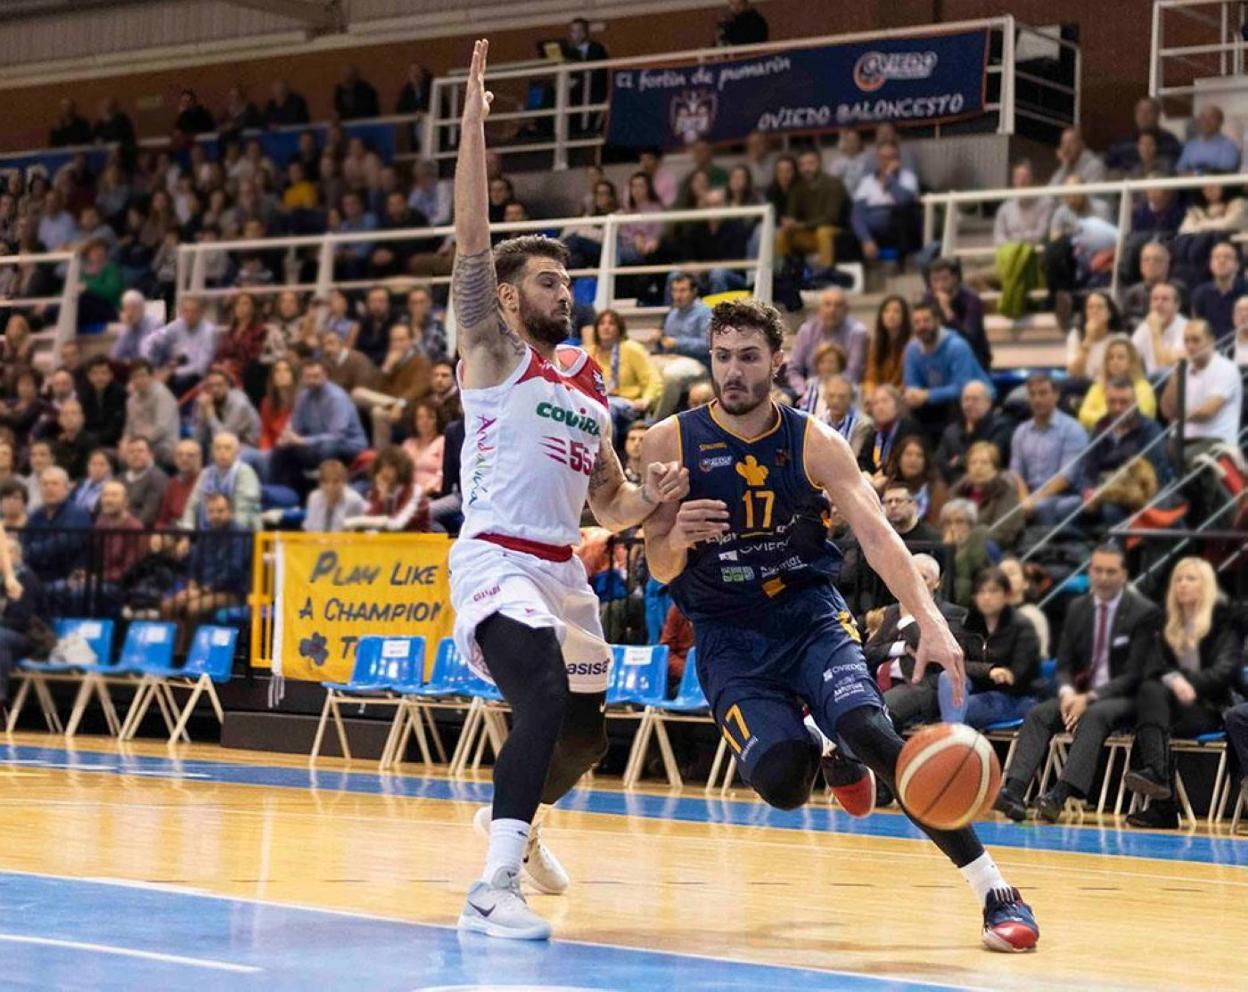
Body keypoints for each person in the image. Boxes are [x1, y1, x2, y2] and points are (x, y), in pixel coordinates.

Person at [640, 297, 1039, 951]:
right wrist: (675, 535)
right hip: (728, 637)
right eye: (721, 358)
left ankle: (996, 890)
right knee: (782, 783)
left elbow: (879, 537)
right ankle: (824, 754)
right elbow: (658, 567)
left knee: (874, 731)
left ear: (777, 361)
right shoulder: (670, 440)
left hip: (808, 618)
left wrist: (930, 620)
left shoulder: (814, 442)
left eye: (747, 357)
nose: (732, 372)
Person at [446, 41, 689, 942]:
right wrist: (473, 126)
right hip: (497, 558)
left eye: (568, 277)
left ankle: (521, 819)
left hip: (562, 571)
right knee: (541, 697)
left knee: (584, 736)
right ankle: (490, 889)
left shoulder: (589, 387)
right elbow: (471, 238)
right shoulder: (492, 352)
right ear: (507, 298)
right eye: (549, 279)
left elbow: (612, 508)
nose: (566, 288)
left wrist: (653, 500)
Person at [995, 545, 1160, 823]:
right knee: (1039, 714)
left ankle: (1058, 795)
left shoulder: (1143, 613)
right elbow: (1065, 664)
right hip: (1082, 694)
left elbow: (1135, 673)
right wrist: (1069, 693)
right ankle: (1014, 792)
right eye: (1098, 571)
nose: (1104, 577)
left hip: (1128, 698)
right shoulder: (1078, 609)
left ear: (1124, 575)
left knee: (1095, 714)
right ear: (1090, 573)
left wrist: (1089, 699)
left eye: (1111, 572)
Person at [1123, 558, 1243, 828]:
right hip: (1169, 707)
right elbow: (1152, 666)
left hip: (1210, 706)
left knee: (1150, 705)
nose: (1182, 585)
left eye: (1190, 578)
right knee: (1150, 693)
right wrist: (1174, 680)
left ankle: (1162, 797)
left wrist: (1188, 682)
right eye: (1178, 579)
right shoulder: (1168, 626)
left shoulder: (1225, 623)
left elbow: (1225, 673)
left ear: (1206, 585)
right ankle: (1159, 779)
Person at [865, 553, 967, 732]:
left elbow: (935, 655)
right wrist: (902, 648)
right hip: (882, 683)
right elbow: (869, 652)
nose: (916, 582)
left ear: (937, 583)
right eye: (912, 575)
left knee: (879, 714)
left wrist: (907, 620)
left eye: (924, 577)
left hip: (921, 685)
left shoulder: (952, 614)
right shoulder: (892, 611)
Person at [937, 567, 1041, 730]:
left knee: (959, 708)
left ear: (1006, 595)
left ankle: (952, 741)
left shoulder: (1022, 627)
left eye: (993, 591)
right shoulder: (968, 625)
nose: (986, 597)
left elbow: (1019, 676)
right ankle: (954, 740)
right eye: (981, 592)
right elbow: (956, 663)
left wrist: (998, 674)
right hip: (979, 691)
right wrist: (989, 671)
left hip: (1015, 697)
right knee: (947, 676)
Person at [1161, 319, 1244, 517]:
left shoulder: (1226, 369)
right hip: (1180, 439)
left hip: (1215, 441)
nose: (1190, 346)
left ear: (1211, 341)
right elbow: (1166, 410)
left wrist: (1179, 416)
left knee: (1183, 460)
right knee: (1156, 457)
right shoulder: (1184, 370)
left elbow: (1208, 412)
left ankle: (1180, 513)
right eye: (1186, 341)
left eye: (1196, 340)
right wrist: (1176, 377)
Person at [269, 358, 369, 497]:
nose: (312, 381)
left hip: (348, 446)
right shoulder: (303, 396)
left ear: (325, 376)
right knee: (282, 450)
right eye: (308, 377)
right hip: (316, 444)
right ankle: (283, 497)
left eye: (316, 376)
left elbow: (336, 436)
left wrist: (303, 441)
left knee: (328, 446)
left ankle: (323, 495)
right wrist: (286, 437)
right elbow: (295, 425)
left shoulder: (336, 398)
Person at [1082, 376, 1166, 526]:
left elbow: (1149, 476)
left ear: (1134, 402)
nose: (1117, 407)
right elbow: (1088, 469)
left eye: (1123, 402)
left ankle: (1116, 548)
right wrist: (1088, 491)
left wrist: (1108, 493)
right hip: (1100, 490)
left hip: (1132, 495)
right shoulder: (1099, 427)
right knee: (1063, 507)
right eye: (1112, 402)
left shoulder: (1150, 429)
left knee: (1110, 509)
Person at [902, 302, 994, 434]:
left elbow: (961, 387)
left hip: (974, 399)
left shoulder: (957, 346)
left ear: (938, 321)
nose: (922, 326)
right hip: (937, 402)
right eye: (917, 322)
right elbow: (912, 383)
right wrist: (913, 394)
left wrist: (928, 396)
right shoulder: (912, 349)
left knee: (957, 404)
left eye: (926, 321)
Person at [1010, 373, 1088, 526]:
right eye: (1032, 394)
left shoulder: (1072, 429)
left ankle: (1044, 548)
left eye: (1043, 393)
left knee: (1042, 507)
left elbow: (1066, 477)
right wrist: (1024, 498)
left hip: (1065, 494)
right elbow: (1015, 472)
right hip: (1029, 495)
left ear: (1056, 396)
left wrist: (1034, 499)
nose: (1037, 399)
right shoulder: (1021, 431)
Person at [162, 492, 250, 622]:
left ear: (231, 512)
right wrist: (191, 587)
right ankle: (173, 642)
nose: (215, 515)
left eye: (220, 511)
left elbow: (234, 572)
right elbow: (195, 565)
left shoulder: (241, 535)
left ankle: (189, 643)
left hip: (232, 592)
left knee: (193, 608)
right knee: (168, 605)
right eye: (211, 511)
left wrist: (202, 591)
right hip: (203, 590)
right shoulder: (206, 534)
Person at [585, 310, 662, 443]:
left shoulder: (632, 349)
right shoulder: (590, 353)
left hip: (627, 403)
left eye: (611, 323)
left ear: (619, 328)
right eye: (602, 323)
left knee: (606, 410)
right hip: (598, 401)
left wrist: (647, 399)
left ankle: (608, 458)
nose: (606, 327)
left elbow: (652, 379)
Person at [354, 323, 432, 452]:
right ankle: (382, 455)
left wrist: (400, 404)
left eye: (401, 340)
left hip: (410, 409)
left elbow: (418, 390)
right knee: (358, 394)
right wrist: (387, 369)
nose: (397, 344)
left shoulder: (421, 362)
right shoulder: (390, 361)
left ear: (411, 341)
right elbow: (377, 391)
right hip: (391, 406)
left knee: (377, 411)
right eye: (394, 340)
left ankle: (380, 455)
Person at [775, 149, 846, 272]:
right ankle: (782, 273)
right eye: (803, 165)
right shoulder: (797, 187)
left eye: (811, 163)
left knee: (823, 232)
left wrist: (800, 225)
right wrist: (788, 223)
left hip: (835, 230)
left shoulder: (833, 183)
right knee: (782, 233)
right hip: (808, 233)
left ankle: (825, 274)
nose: (807, 168)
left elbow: (831, 217)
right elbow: (791, 214)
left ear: (819, 163)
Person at [787, 288, 868, 392]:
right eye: (827, 304)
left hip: (842, 392)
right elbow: (794, 369)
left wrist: (829, 392)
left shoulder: (857, 333)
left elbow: (853, 373)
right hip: (808, 389)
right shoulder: (806, 331)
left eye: (838, 305)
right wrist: (803, 392)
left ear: (846, 309)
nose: (832, 310)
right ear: (820, 309)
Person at [22, 466, 92, 586]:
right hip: (37, 576)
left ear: (66, 488)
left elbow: (67, 542)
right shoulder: (35, 515)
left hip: (68, 577)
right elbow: (23, 545)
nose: (49, 488)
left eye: (55, 484)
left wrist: (34, 550)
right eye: (44, 484)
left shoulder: (78, 513)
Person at [850, 140, 919, 262]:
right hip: (873, 229)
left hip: (897, 225)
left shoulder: (907, 177)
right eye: (883, 157)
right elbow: (857, 214)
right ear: (877, 159)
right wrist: (866, 239)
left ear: (898, 159)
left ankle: (902, 264)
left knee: (903, 213)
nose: (886, 161)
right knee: (850, 232)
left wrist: (889, 178)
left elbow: (904, 201)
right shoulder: (867, 181)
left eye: (891, 157)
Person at [935, 380, 1014, 483]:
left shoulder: (1001, 427)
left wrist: (960, 461)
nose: (969, 404)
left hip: (990, 487)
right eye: (966, 399)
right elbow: (940, 463)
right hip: (955, 488)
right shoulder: (951, 431)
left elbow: (992, 459)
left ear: (988, 402)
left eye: (975, 399)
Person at [180, 432, 262, 531]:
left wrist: (228, 535)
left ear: (236, 451)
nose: (222, 452)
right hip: (209, 532)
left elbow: (244, 511)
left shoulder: (245, 472)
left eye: (227, 448)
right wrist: (187, 532)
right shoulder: (206, 473)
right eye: (218, 448)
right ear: (212, 451)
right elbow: (192, 505)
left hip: (241, 534)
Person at [950, 441, 1023, 550]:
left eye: (984, 463)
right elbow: (944, 524)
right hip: (955, 547)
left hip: (992, 551)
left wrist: (970, 539)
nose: (978, 467)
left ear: (995, 469)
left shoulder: (1005, 493)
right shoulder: (957, 492)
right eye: (973, 463)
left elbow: (1004, 532)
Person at [922, 258, 991, 373]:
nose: (940, 285)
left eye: (944, 279)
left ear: (955, 279)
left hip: (973, 359)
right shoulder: (929, 298)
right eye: (935, 280)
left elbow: (968, 339)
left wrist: (947, 309)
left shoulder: (971, 300)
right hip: (941, 358)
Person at [1078, 336, 1158, 431]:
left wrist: (1101, 416)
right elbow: (1083, 416)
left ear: (1131, 361)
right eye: (1110, 358)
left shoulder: (1143, 387)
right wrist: (1111, 417)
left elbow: (1137, 418)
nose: (1115, 361)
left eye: (1121, 357)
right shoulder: (1098, 386)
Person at [349, 447, 432, 532]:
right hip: (391, 542)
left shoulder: (415, 491)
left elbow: (397, 524)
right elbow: (368, 525)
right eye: (382, 466)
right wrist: (381, 500)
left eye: (390, 467)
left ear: (401, 468)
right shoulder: (376, 491)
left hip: (417, 541)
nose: (385, 471)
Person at [147, 296, 219, 394]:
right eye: (186, 311)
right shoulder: (177, 325)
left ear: (200, 313)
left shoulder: (208, 331)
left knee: (178, 381)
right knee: (155, 351)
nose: (189, 315)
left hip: (194, 374)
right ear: (181, 312)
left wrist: (172, 372)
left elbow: (200, 367)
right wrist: (157, 369)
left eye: (193, 311)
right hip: (175, 364)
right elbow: (153, 340)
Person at [858, 384, 921, 481]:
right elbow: (862, 461)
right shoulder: (874, 433)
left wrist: (884, 475)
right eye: (876, 403)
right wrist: (866, 474)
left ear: (897, 404)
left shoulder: (909, 429)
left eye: (885, 401)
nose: (880, 407)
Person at [123, 359, 180, 466]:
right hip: (139, 444)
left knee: (141, 455)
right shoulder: (131, 401)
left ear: (151, 376)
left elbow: (161, 428)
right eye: (135, 376)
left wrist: (138, 445)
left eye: (143, 375)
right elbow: (129, 428)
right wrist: (125, 443)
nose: (139, 380)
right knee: (121, 456)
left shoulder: (162, 395)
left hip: (163, 444)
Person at [191, 366, 261, 451]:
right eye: (210, 386)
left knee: (218, 451)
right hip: (223, 443)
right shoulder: (206, 401)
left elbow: (225, 439)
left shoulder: (239, 404)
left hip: (247, 446)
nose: (215, 389)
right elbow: (197, 438)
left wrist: (210, 415)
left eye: (219, 385)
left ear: (227, 385)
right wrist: (202, 413)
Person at [884, 433, 947, 525]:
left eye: (919, 455)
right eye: (908, 454)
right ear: (898, 459)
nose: (913, 460)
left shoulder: (937, 490)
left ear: (925, 461)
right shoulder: (886, 487)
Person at [1191, 241, 1248, 339]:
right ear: (1210, 264)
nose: (1221, 261)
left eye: (1227, 257)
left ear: (1237, 265)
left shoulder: (1246, 290)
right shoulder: (1200, 293)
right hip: (1210, 348)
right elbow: (1197, 328)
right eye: (1216, 257)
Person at [1119, 241, 1184, 327]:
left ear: (1167, 264)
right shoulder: (1132, 293)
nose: (1151, 263)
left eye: (1157, 260)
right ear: (1140, 265)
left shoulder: (1178, 290)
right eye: (1146, 260)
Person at [1066, 291, 1123, 382]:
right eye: (1090, 307)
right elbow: (1074, 372)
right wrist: (1088, 339)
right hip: (1081, 386)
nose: (1094, 311)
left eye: (1099, 307)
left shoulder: (1119, 339)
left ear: (1109, 314)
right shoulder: (1075, 335)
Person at [862, 295, 912, 395]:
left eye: (896, 311)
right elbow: (870, 376)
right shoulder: (876, 343)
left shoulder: (912, 344)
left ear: (904, 316)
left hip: (901, 395)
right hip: (879, 396)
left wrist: (885, 396)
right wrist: (871, 393)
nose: (891, 315)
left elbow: (908, 382)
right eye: (886, 311)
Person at [303, 459, 366, 532]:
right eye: (326, 482)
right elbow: (309, 530)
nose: (330, 487)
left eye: (335, 482)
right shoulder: (314, 498)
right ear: (320, 483)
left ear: (344, 481)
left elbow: (357, 533)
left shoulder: (354, 501)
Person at [1176, 104, 1241, 174]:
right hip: (1189, 184)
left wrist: (1195, 173)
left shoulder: (1228, 146)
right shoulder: (1190, 146)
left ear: (1220, 122)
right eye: (1203, 118)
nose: (1206, 121)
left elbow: (1223, 172)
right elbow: (1180, 170)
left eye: (1212, 117)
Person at [120, 435, 169, 528]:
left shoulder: (158, 478)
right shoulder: (119, 478)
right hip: (115, 530)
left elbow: (149, 515)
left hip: (142, 532)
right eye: (131, 452)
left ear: (151, 454)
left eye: (140, 451)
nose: (135, 454)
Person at [79, 355, 127, 449]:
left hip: (114, 442)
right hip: (90, 441)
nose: (100, 377)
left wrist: (95, 439)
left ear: (111, 375)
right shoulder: (84, 393)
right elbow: (84, 422)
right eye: (95, 373)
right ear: (89, 376)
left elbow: (118, 426)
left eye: (104, 373)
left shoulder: (120, 393)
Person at [155, 439, 202, 528]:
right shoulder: (173, 483)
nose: (184, 458)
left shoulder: (206, 480)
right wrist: (158, 533)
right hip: (174, 531)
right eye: (180, 455)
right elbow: (163, 518)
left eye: (190, 455)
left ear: (199, 458)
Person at [51, 399, 97, 481]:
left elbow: (89, 472)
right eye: (65, 414)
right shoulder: (57, 444)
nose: (69, 417)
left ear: (82, 418)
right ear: (59, 420)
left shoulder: (91, 441)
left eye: (74, 413)